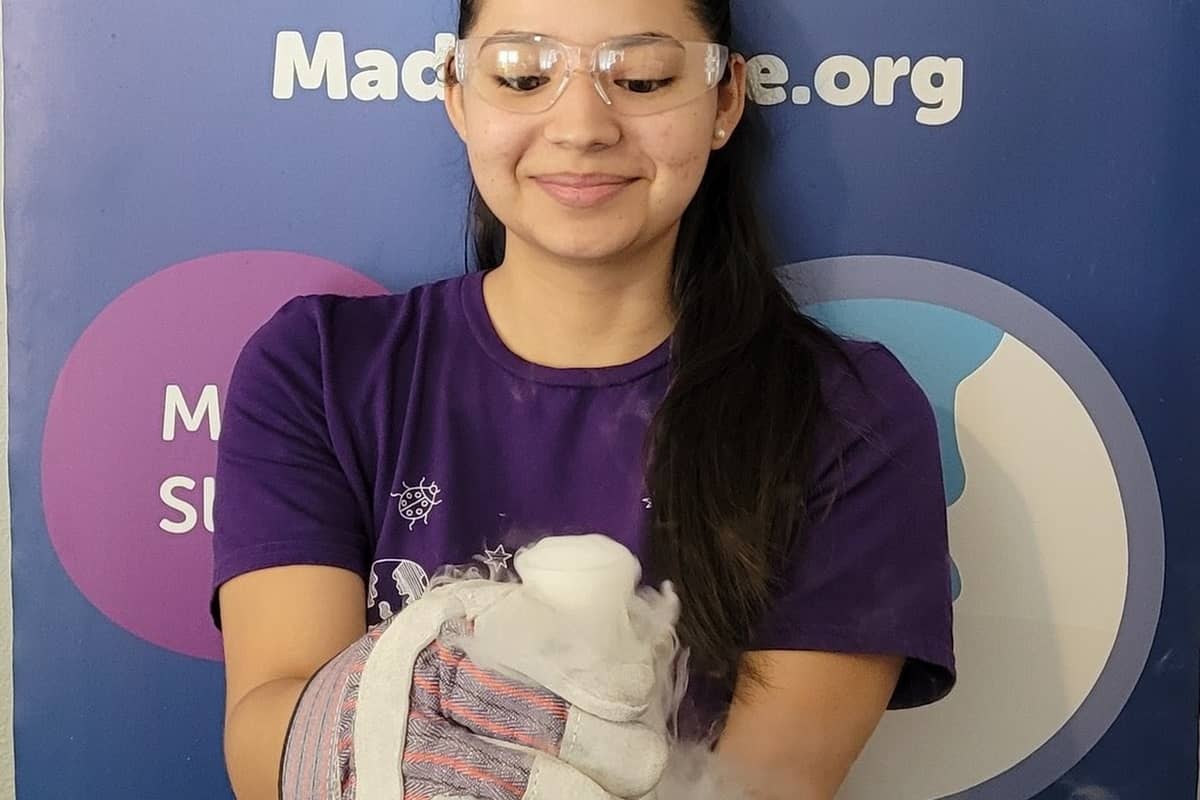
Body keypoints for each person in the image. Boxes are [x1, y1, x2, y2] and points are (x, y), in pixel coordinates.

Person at [213, 0, 956, 797]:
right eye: (524, 75)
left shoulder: (846, 413)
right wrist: (407, 724)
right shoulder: (322, 370)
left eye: (641, 78)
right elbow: (270, 736)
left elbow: (766, 784)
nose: (581, 126)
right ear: (459, 95)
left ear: (725, 100)